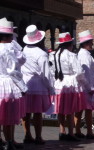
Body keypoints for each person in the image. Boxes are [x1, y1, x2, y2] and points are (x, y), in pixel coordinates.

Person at [52, 32, 89, 141]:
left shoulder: (55, 54)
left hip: (59, 82)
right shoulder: (71, 55)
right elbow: (79, 72)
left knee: (61, 109)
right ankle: (71, 133)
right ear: (70, 44)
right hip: (70, 82)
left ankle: (62, 130)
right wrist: (85, 83)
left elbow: (52, 70)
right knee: (70, 109)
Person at [21, 25, 54, 144]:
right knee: (37, 112)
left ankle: (27, 134)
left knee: (26, 112)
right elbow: (46, 73)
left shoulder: (24, 49)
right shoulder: (41, 53)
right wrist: (50, 87)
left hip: (25, 83)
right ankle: (38, 136)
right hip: (38, 85)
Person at [0, 17, 27, 150]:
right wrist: (22, 86)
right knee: (8, 116)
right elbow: (13, 69)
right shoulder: (8, 49)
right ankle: (9, 141)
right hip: (6, 83)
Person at [75, 30, 94, 139]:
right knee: (87, 110)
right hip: (87, 87)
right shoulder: (85, 55)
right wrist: (90, 87)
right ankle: (88, 131)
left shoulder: (84, 54)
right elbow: (85, 72)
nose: (92, 44)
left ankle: (77, 130)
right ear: (86, 43)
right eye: (91, 42)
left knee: (81, 109)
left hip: (85, 86)